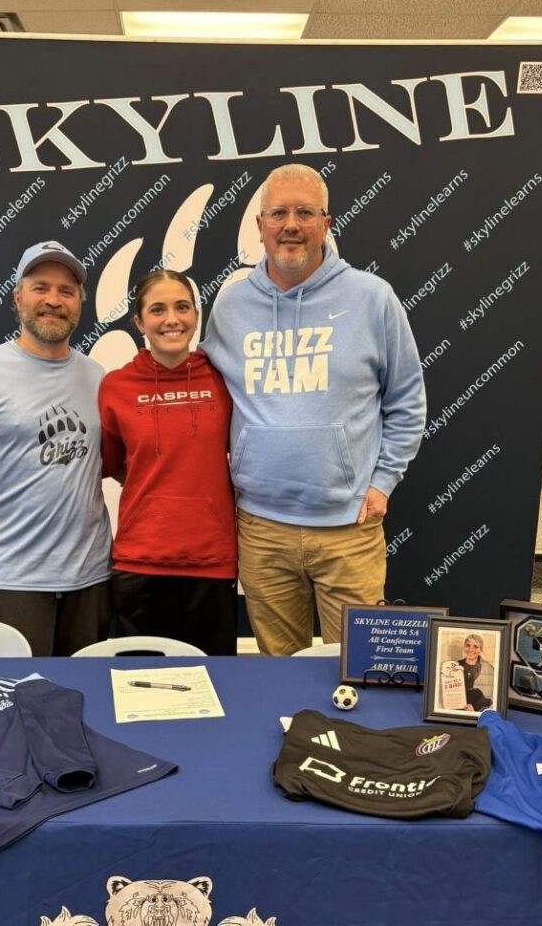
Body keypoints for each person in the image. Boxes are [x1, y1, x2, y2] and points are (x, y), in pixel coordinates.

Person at [201, 163, 426, 656]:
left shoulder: (372, 298)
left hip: (349, 528)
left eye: (305, 213)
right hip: (261, 528)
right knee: (277, 669)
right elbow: (205, 390)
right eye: (278, 213)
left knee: (359, 668)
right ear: (260, 225)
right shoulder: (231, 306)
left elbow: (408, 399)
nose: (291, 225)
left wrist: (383, 482)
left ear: (326, 223)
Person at [0, 240, 112, 656]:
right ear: (17, 298)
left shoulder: (98, 376)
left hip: (91, 578)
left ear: (79, 303)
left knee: (85, 691)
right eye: (40, 288)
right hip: (11, 580)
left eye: (66, 291)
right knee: (16, 692)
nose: (54, 300)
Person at [98, 269, 238, 654]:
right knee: (141, 681)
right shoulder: (116, 387)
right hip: (141, 562)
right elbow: (113, 464)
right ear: (139, 322)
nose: (172, 319)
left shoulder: (225, 380)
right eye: (157, 310)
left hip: (212, 561)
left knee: (213, 681)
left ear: (196, 315)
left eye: (182, 307)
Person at [458, 634, 495, 712]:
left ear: (480, 650)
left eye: (475, 647)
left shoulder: (488, 668)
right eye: (468, 645)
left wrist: (475, 709)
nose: (471, 649)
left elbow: (490, 697)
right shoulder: (456, 665)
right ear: (464, 647)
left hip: (478, 709)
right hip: (458, 707)